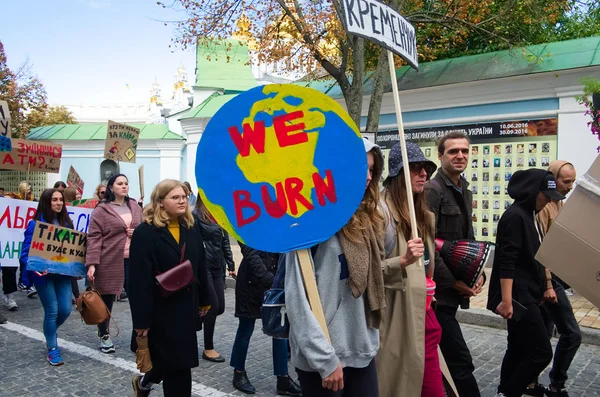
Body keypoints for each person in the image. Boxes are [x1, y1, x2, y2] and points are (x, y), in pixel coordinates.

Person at [284, 138, 385, 397]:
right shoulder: (309, 222)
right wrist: (325, 361)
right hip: (323, 361)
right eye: (362, 167)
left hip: (360, 351)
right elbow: (297, 302)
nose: (367, 177)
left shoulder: (367, 222)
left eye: (372, 169)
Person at [377, 142, 458, 397]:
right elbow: (366, 273)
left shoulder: (424, 216)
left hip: (425, 319)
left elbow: (427, 268)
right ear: (398, 174)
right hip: (397, 321)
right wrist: (402, 261)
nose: (424, 174)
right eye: (415, 168)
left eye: (425, 168)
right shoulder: (380, 215)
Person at [129, 179, 211, 397]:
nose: (182, 201)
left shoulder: (191, 228)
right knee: (176, 367)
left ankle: (144, 384)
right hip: (159, 312)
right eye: (176, 197)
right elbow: (138, 281)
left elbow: (201, 265)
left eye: (184, 196)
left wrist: (205, 299)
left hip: (185, 309)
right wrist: (142, 322)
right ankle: (145, 384)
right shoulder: (145, 233)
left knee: (176, 364)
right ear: (161, 202)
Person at [487, 169, 562, 397]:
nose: (549, 200)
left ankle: (504, 390)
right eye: (546, 195)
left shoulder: (529, 214)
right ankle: (510, 392)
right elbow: (507, 261)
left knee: (518, 347)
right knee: (541, 352)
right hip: (519, 297)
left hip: (528, 293)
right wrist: (507, 301)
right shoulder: (516, 216)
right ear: (532, 191)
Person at [424, 132, 483, 397]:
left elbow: (467, 239)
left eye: (464, 151)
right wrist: (453, 281)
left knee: (444, 357)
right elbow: (427, 243)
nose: (460, 155)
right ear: (440, 156)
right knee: (459, 360)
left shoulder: (464, 190)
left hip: (454, 291)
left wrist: (475, 275)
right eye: (452, 151)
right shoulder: (432, 190)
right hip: (438, 294)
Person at [229, 243, 301, 396]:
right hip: (251, 282)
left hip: (274, 278)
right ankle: (238, 372)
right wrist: (268, 278)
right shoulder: (249, 222)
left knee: (279, 330)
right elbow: (249, 251)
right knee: (245, 329)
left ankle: (283, 378)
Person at [535, 161, 581, 397]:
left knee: (542, 333)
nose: (571, 186)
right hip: (548, 281)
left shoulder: (559, 201)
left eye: (573, 181)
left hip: (556, 279)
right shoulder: (543, 206)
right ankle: (556, 386)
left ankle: (530, 382)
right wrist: (549, 285)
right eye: (566, 181)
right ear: (553, 178)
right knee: (572, 334)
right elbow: (541, 249)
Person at [86, 173, 143, 353]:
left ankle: (138, 338)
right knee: (106, 301)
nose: (124, 186)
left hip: (133, 259)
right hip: (109, 260)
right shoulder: (101, 210)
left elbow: (144, 227)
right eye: (120, 183)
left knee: (139, 299)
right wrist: (92, 264)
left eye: (126, 183)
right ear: (111, 188)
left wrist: (138, 233)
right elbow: (94, 237)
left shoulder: (134, 205)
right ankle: (104, 335)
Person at [20, 188, 74, 365]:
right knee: (52, 310)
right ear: (46, 202)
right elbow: (25, 254)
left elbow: (73, 252)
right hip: (43, 276)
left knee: (65, 310)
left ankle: (49, 332)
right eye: (54, 200)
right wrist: (36, 268)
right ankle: (52, 348)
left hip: (62, 275)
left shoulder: (67, 223)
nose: (59, 203)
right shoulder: (34, 224)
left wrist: (77, 268)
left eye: (61, 200)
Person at [193, 195, 235, 362]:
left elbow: (224, 241)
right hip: (204, 267)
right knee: (213, 305)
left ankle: (193, 319)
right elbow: (193, 242)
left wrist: (231, 263)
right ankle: (208, 348)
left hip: (218, 266)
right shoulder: (196, 215)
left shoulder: (219, 214)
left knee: (220, 308)